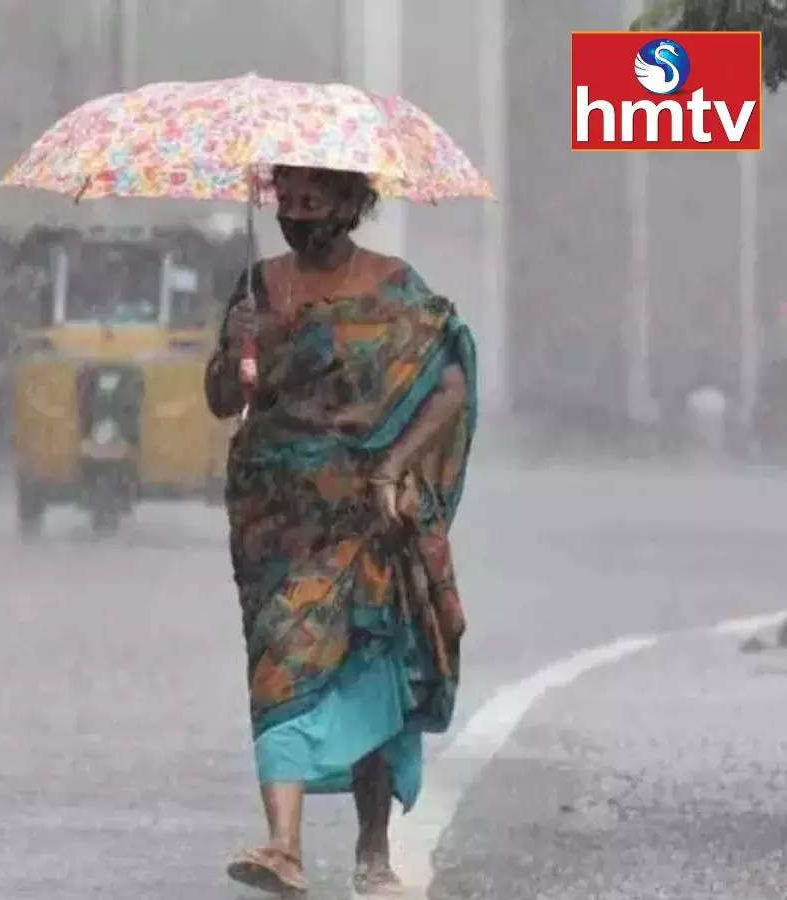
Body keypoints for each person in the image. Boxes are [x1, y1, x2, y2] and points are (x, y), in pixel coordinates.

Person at [205, 165, 475, 896]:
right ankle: (283, 847)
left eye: (312, 202)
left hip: (367, 518)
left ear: (354, 204)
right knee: (279, 668)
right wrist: (237, 352)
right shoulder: (256, 287)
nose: (296, 214)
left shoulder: (393, 289)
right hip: (277, 522)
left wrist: (392, 469)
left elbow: (449, 385)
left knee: (369, 669)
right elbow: (223, 398)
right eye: (285, 201)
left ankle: (373, 846)